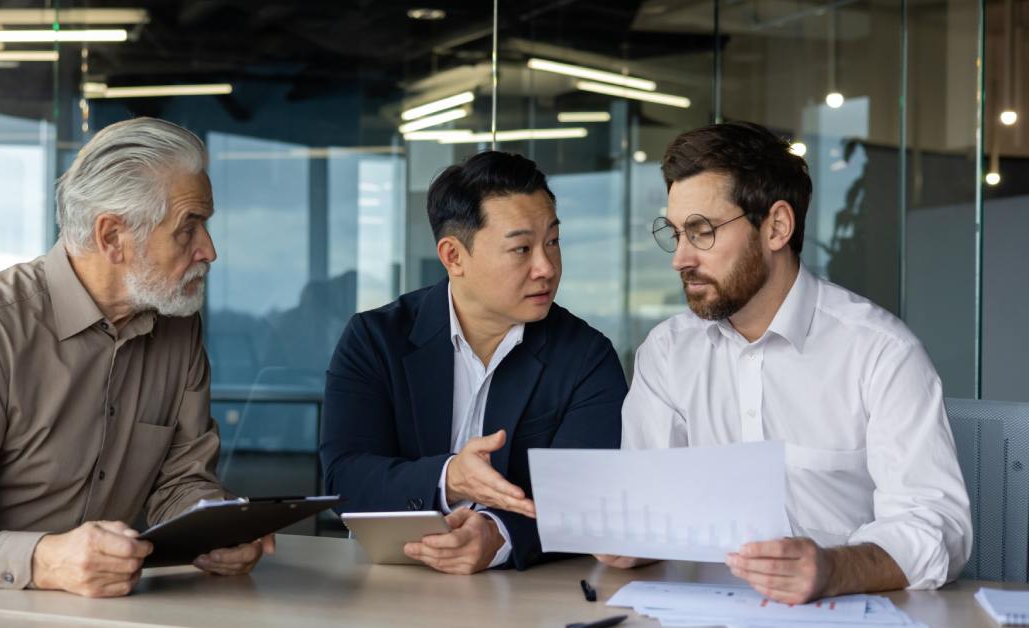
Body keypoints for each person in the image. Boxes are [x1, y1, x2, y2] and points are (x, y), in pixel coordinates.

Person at [0, 117, 274, 598]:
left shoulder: (178, 327)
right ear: (111, 237)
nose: (209, 250)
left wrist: (215, 529)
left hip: (109, 608)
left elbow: (182, 481)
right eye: (189, 229)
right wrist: (43, 561)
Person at [601, 121, 972, 603]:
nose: (681, 259)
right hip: (700, 611)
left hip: (843, 612)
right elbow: (644, 505)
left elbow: (938, 528)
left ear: (776, 226)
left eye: (702, 231)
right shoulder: (668, 352)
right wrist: (627, 537)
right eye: (675, 234)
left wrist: (833, 568)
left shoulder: (879, 351)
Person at [320, 151, 626, 574]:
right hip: (389, 581)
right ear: (453, 257)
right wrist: (449, 478)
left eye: (552, 242)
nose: (547, 267)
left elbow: (588, 497)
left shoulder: (585, 357)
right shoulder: (375, 340)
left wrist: (498, 533)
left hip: (528, 599)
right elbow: (345, 480)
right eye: (521, 248)